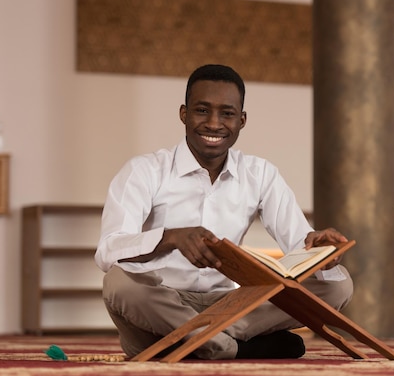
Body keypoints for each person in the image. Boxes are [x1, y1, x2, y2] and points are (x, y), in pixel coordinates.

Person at [95, 64, 354, 360]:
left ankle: (208, 342)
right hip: (161, 304)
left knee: (338, 284)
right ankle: (235, 347)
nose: (214, 123)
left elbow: (298, 246)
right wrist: (170, 238)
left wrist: (319, 252)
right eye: (202, 110)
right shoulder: (144, 171)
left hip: (231, 305)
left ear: (242, 120)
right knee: (118, 283)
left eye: (227, 113)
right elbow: (108, 250)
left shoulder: (260, 174)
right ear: (184, 113)